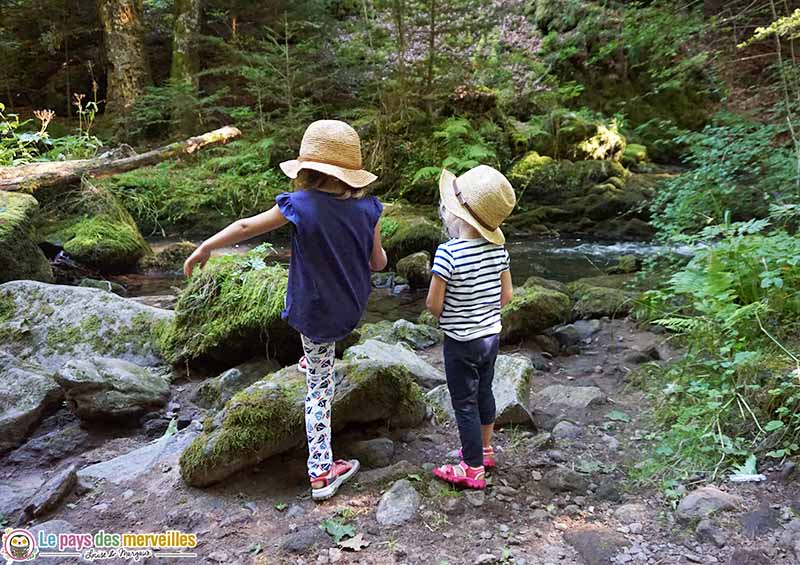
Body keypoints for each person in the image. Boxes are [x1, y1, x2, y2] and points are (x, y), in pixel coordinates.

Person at [183, 120, 387, 501]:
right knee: (322, 342)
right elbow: (378, 263)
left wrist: (206, 246)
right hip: (350, 308)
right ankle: (315, 358)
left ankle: (322, 472)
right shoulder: (370, 208)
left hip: (313, 312)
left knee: (318, 393)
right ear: (352, 173)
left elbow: (246, 226)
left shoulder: (301, 205)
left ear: (307, 170)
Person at [426, 165, 516, 490]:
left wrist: (452, 311)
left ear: (456, 214)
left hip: (460, 341)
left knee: (463, 401)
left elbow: (433, 306)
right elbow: (507, 296)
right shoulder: (498, 250)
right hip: (490, 337)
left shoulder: (447, 254)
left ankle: (472, 467)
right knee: (484, 392)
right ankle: (486, 450)